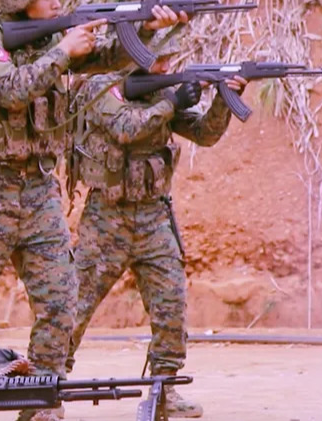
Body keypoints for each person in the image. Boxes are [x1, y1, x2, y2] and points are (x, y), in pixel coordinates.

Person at [0, 0, 185, 421]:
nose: (58, 1)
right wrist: (62, 53)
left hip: (39, 190)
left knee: (60, 302)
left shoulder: (53, 39)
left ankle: (42, 404)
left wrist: (145, 31)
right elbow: (10, 91)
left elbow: (108, 58)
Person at [66, 51, 248, 418]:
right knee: (73, 306)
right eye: (159, 60)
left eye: (169, 60)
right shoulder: (102, 87)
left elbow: (204, 134)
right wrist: (173, 101)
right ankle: (47, 384)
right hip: (107, 219)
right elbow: (126, 128)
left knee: (171, 305)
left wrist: (224, 99)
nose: (166, 67)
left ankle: (165, 390)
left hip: (153, 216)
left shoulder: (162, 95)